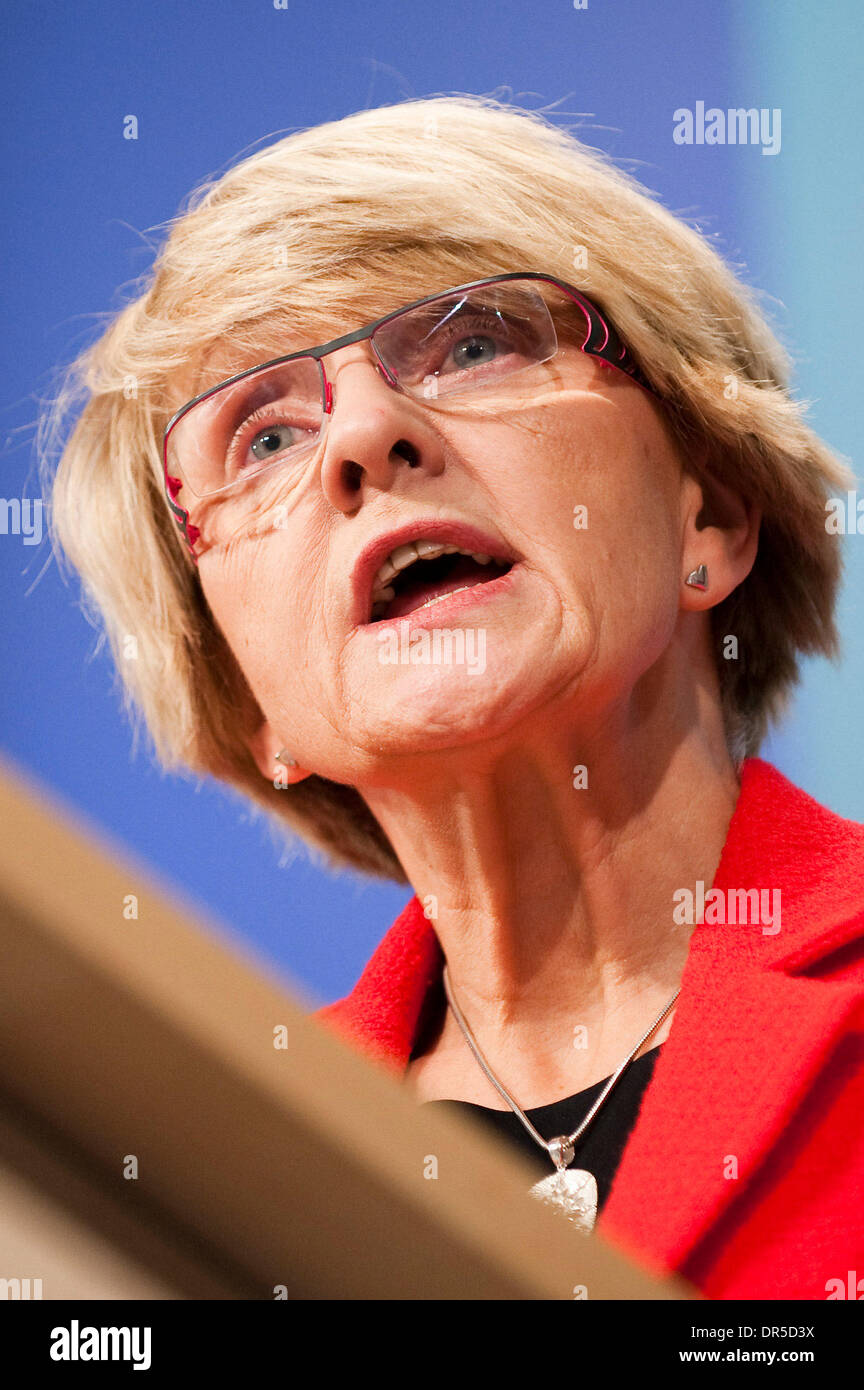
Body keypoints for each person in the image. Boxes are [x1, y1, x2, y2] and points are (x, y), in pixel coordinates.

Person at [43, 93, 864, 1300]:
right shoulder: (216, 1177)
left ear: (713, 516)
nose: (365, 436)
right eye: (263, 438)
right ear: (248, 701)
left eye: (475, 344)